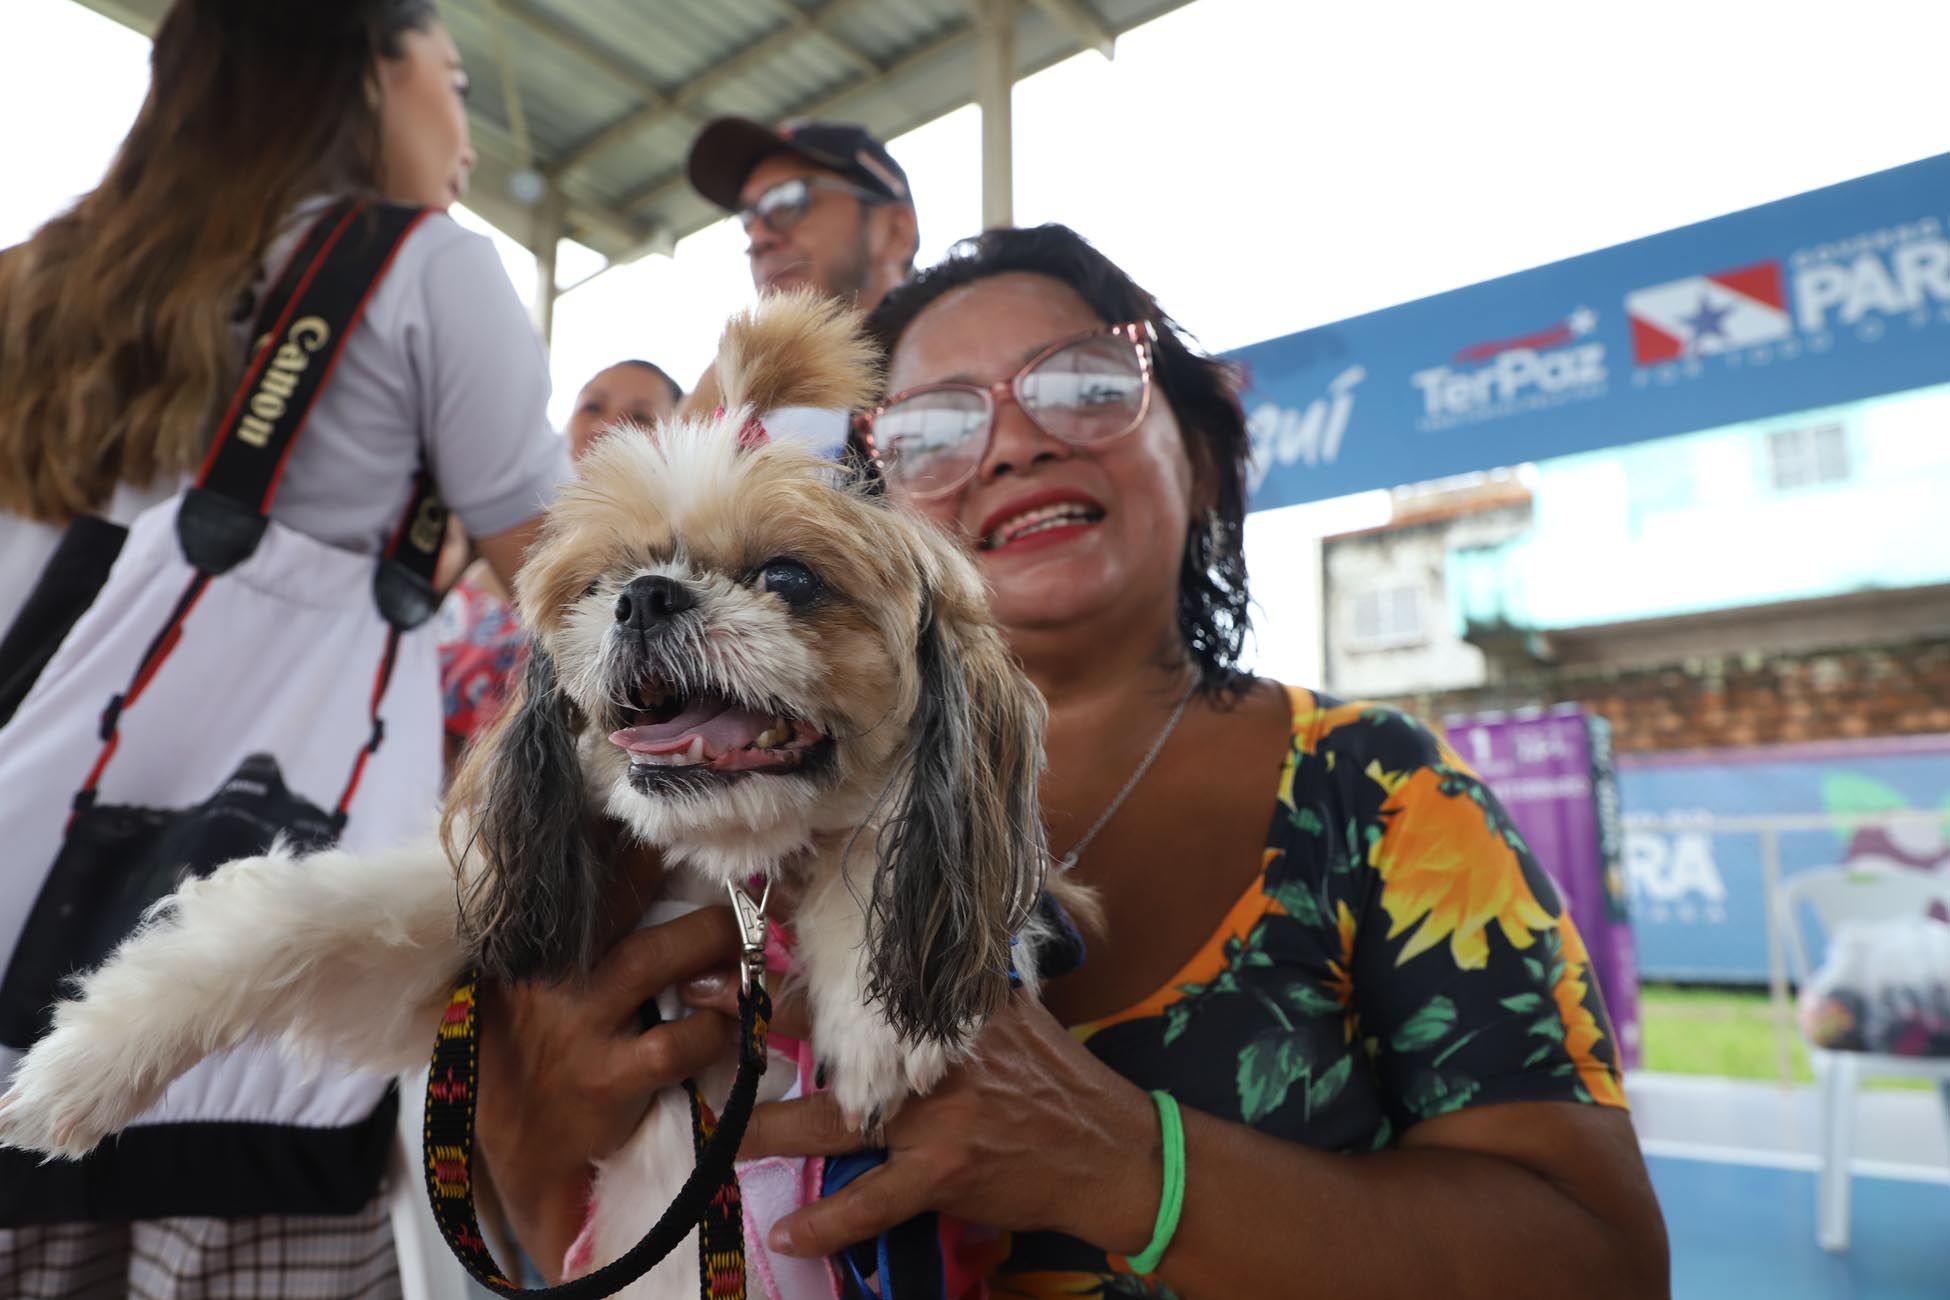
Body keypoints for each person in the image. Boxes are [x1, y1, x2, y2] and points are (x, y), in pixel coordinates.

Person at [476, 224, 1671, 1299]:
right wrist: (538, 1140)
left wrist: (1125, 1166)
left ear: (1198, 454)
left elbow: (1603, 1262)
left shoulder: (1376, 790)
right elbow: (554, 1242)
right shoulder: (672, 808)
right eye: (933, 427)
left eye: (1085, 385)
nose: (1010, 447)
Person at [0, 3, 567, 1294]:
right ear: (363, 69)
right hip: (231, 1043)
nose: (465, 133)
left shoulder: (29, 281)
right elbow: (575, 589)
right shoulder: (423, 268)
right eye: (455, 79)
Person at [439, 358, 684, 756]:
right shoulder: (483, 534)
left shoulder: (665, 581)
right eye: (592, 407)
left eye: (639, 417)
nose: (607, 427)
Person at [681, 117, 920, 454]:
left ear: (895, 231)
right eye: (748, 218)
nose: (757, 238)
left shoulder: (976, 365)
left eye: (787, 201)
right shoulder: (728, 396)